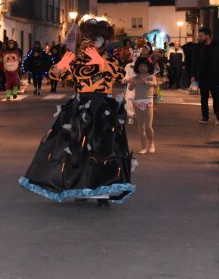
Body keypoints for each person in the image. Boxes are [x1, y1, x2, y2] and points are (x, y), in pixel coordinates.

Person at [19, 18, 134, 206]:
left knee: (103, 149)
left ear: (103, 42)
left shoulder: (110, 61)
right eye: (88, 39)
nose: (91, 43)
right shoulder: (77, 62)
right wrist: (60, 65)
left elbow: (122, 76)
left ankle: (103, 189)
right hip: (79, 107)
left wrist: (102, 63)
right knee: (76, 149)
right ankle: (80, 185)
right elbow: (55, 74)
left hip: (103, 108)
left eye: (96, 40)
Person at [192, 27, 219, 124]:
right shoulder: (198, 47)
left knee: (216, 95)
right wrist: (193, 75)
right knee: (204, 97)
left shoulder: (218, 46)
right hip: (203, 76)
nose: (199, 38)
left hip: (215, 76)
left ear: (208, 36)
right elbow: (195, 62)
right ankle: (205, 117)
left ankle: (217, 113)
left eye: (201, 36)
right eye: (199, 36)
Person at [129, 57, 157, 154]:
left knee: (148, 126)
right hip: (137, 102)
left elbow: (155, 84)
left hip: (148, 102)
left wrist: (146, 82)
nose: (143, 68)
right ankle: (143, 147)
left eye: (145, 66)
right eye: (141, 66)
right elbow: (130, 88)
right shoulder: (135, 78)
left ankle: (152, 143)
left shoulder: (151, 76)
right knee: (140, 127)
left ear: (149, 67)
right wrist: (132, 83)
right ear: (138, 67)